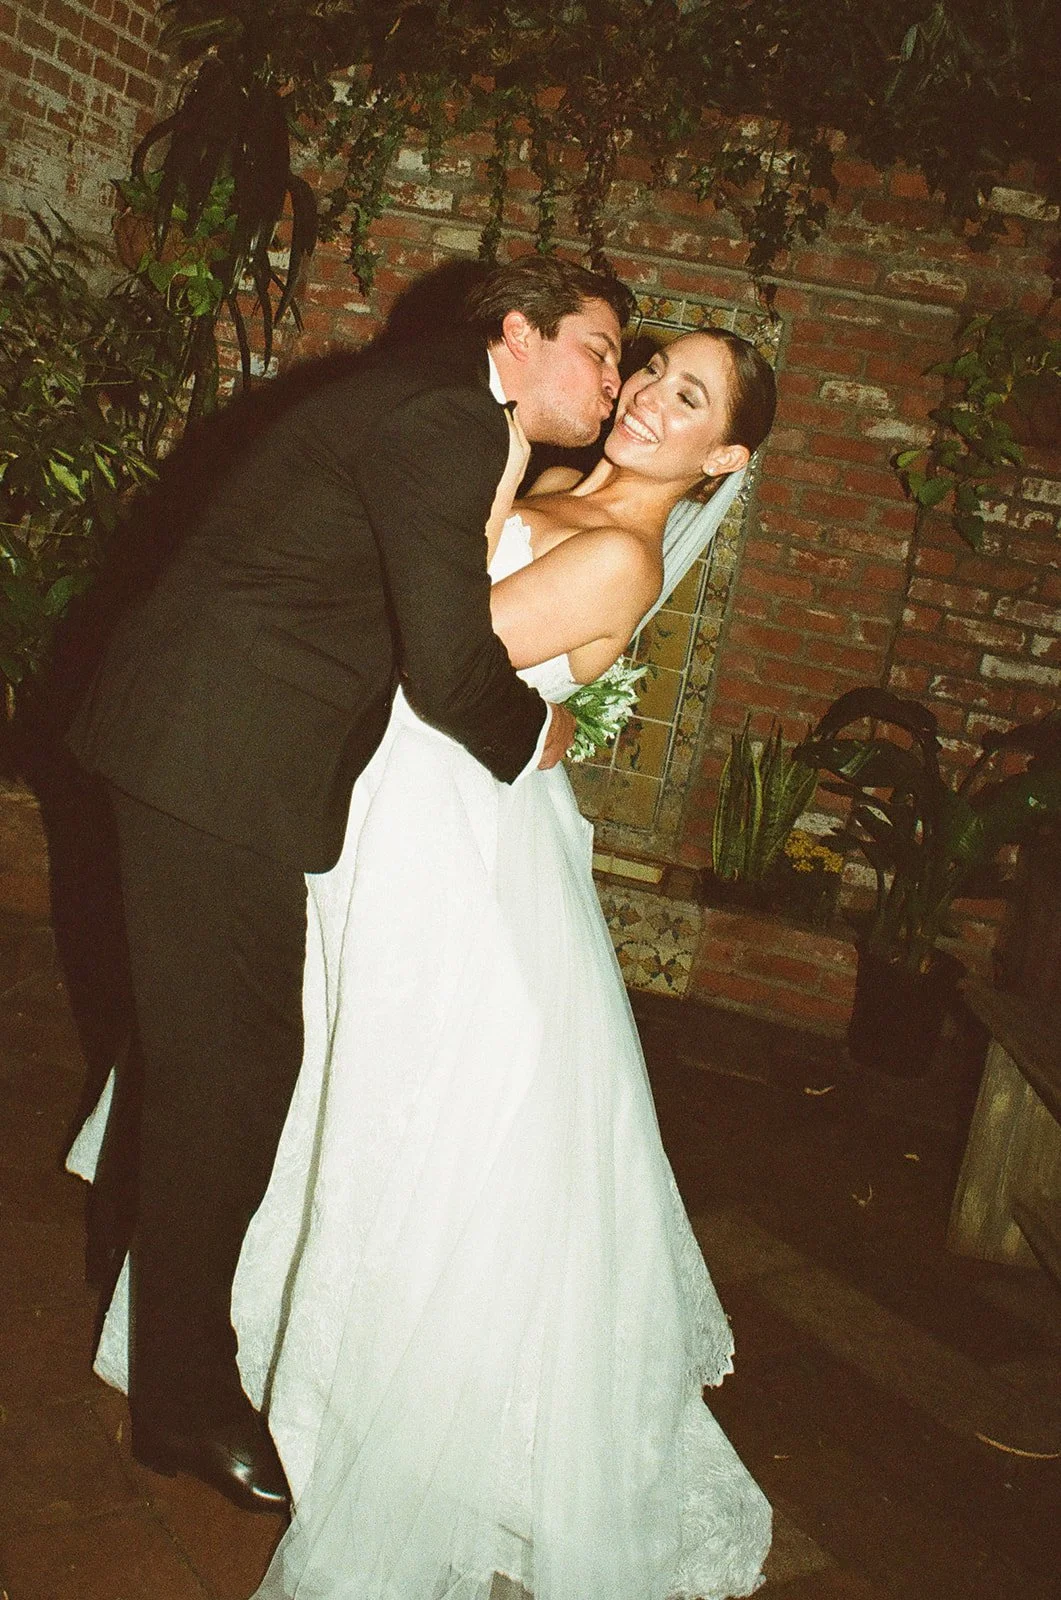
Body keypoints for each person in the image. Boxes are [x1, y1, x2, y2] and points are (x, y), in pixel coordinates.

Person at [74, 325, 777, 1598]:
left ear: (722, 457)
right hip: (352, 797)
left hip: (449, 839)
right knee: (279, 1073)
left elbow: (435, 648)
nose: (645, 401)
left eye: (687, 398)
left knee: (412, 1104)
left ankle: (393, 1406)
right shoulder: (543, 481)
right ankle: (245, 1352)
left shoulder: (614, 553)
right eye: (648, 370)